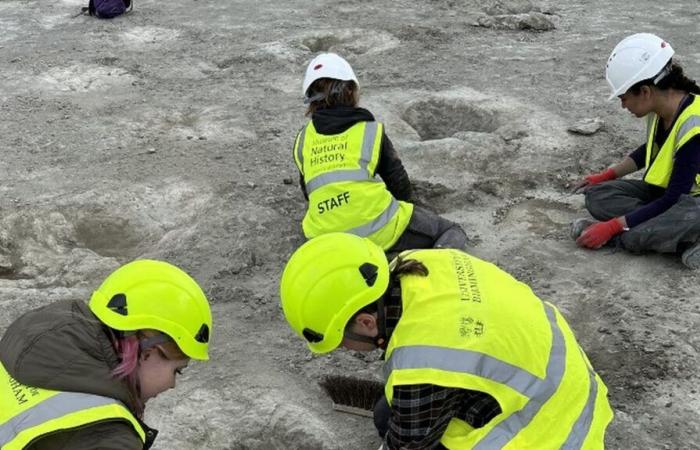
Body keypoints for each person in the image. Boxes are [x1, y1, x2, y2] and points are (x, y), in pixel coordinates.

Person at [279, 233, 614, 449]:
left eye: (341, 341)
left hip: (555, 433)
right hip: (560, 377)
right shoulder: (420, 263)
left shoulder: (422, 362)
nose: (344, 350)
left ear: (366, 322)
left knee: (399, 425)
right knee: (387, 415)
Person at [0, 259, 212, 450]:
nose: (173, 385)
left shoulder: (32, 336)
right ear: (148, 353)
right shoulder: (109, 437)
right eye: (177, 371)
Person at [292, 52, 468, 254]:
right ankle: (425, 269)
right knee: (451, 231)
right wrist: (404, 213)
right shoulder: (370, 131)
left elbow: (310, 192)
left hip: (325, 240)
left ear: (311, 100)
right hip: (378, 230)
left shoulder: (303, 139)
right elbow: (398, 182)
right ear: (351, 91)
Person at [571, 33, 700, 269]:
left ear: (645, 91)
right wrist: (606, 176)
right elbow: (648, 152)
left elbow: (675, 197)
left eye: (624, 97)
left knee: (640, 232)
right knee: (597, 195)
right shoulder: (661, 109)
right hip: (665, 196)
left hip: (690, 203)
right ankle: (664, 231)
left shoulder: (695, 124)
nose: (623, 105)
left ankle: (639, 235)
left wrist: (613, 226)